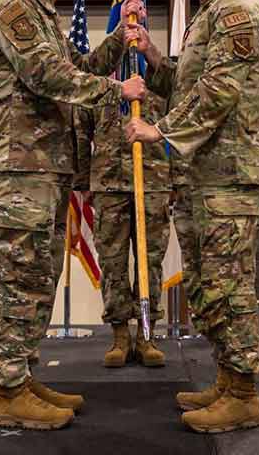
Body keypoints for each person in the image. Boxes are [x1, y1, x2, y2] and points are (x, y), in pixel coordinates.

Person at [0, 0, 146, 431]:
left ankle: (23, 378)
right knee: (18, 280)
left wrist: (120, 38)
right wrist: (119, 92)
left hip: (46, 170)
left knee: (39, 278)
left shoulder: (47, 16)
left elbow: (82, 65)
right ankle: (7, 390)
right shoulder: (12, 5)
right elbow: (45, 76)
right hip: (18, 167)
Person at [123, 0, 259, 434]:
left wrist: (158, 133)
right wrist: (149, 55)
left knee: (229, 287)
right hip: (203, 176)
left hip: (230, 177)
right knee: (209, 286)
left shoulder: (238, 12)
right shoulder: (205, 16)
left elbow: (218, 95)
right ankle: (227, 383)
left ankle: (245, 395)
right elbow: (189, 87)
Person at [73, 87, 171, 368]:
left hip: (153, 181)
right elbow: (82, 129)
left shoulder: (157, 79)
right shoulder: (99, 83)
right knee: (113, 264)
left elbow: (178, 129)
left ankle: (146, 336)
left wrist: (175, 178)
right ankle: (119, 336)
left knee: (150, 262)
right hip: (108, 183)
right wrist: (83, 181)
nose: (132, 40)